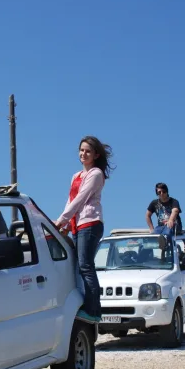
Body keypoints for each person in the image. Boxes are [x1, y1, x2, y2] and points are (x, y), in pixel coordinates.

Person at [54, 136, 114, 324]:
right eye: (81, 150)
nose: (83, 154)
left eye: (88, 151)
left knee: (86, 265)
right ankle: (84, 305)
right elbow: (71, 200)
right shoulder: (76, 176)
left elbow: (81, 199)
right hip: (77, 224)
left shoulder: (95, 174)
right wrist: (64, 223)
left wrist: (61, 220)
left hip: (90, 222)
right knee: (79, 266)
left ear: (96, 154)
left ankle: (94, 310)